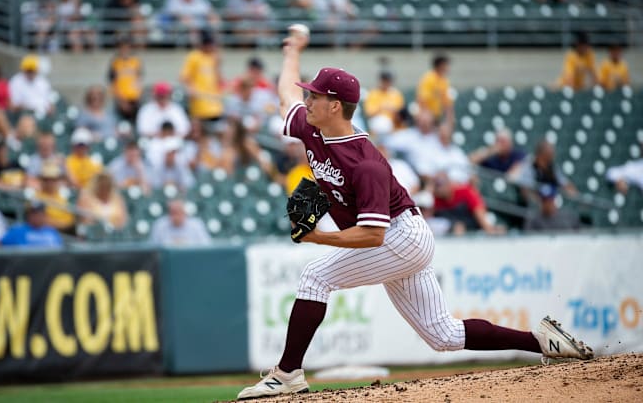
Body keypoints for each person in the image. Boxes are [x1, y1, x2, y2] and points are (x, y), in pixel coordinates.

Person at [236, 31, 592, 400]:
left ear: (336, 106)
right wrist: (292, 51)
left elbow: (372, 237)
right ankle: (543, 341)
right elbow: (285, 98)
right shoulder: (312, 127)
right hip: (398, 239)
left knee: (314, 277)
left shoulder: (365, 162)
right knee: (443, 336)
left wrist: (317, 238)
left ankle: (288, 373)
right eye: (309, 94)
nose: (307, 100)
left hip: (399, 236)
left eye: (315, 95)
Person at [432, 172, 503, 235]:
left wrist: (488, 228)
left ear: (449, 183)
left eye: (440, 184)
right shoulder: (434, 198)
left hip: (472, 225)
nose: (438, 188)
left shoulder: (465, 191)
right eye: (435, 185)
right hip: (450, 228)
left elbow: (478, 210)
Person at [180, 29, 224, 127]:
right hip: (200, 105)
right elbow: (184, 77)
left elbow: (218, 80)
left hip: (214, 104)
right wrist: (191, 89)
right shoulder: (194, 57)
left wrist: (218, 65)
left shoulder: (213, 57)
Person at [510, 139, 577, 201]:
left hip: (550, 205)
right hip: (532, 206)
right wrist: (540, 202)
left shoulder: (552, 167)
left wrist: (573, 195)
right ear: (541, 154)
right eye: (549, 154)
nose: (553, 156)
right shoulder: (529, 164)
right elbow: (524, 189)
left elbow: (566, 184)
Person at [108, 35, 143, 122]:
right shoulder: (115, 63)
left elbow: (139, 80)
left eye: (127, 47)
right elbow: (113, 83)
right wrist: (121, 101)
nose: (125, 49)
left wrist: (138, 95)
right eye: (122, 47)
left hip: (134, 99)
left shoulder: (135, 61)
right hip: (121, 100)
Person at [35, 163, 76, 233]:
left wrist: (63, 224)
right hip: (44, 233)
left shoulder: (62, 197)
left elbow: (70, 220)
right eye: (46, 180)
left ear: (57, 181)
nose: (49, 183)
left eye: (53, 180)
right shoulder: (36, 197)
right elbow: (40, 220)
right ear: (42, 181)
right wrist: (61, 223)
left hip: (65, 232)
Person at [417, 53, 454, 122]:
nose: (448, 67)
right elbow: (422, 100)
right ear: (440, 65)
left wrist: (450, 119)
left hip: (437, 116)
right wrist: (427, 117)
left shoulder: (444, 81)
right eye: (446, 65)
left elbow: (447, 103)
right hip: (426, 117)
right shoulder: (428, 78)